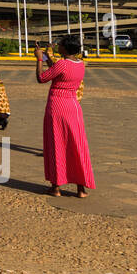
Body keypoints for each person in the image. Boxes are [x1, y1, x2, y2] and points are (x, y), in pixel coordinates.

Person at [36, 35, 95, 198]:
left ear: (65, 48)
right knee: (77, 144)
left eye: (60, 45)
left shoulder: (62, 63)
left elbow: (42, 78)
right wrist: (47, 56)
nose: (58, 47)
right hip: (73, 106)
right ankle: (81, 188)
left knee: (57, 143)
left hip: (57, 105)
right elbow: (57, 71)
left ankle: (56, 187)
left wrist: (39, 60)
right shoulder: (80, 64)